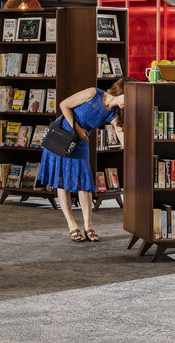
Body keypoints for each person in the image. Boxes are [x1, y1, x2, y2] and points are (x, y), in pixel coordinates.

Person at [38, 78, 127, 243]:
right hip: (63, 135)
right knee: (62, 181)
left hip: (80, 141)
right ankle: (72, 226)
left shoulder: (114, 113)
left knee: (84, 183)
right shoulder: (93, 93)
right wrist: (77, 128)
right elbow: (64, 105)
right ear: (121, 92)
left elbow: (120, 131)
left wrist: (130, 151)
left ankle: (88, 226)